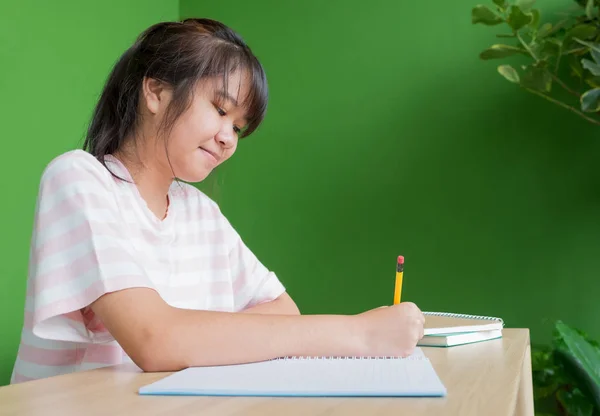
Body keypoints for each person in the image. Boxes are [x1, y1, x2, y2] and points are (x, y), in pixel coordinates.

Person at [11, 18, 425, 384]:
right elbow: (155, 340)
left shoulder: (198, 211)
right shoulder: (78, 180)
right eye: (219, 108)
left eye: (239, 128)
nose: (229, 137)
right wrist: (360, 334)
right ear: (155, 91)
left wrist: (194, 335)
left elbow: (283, 311)